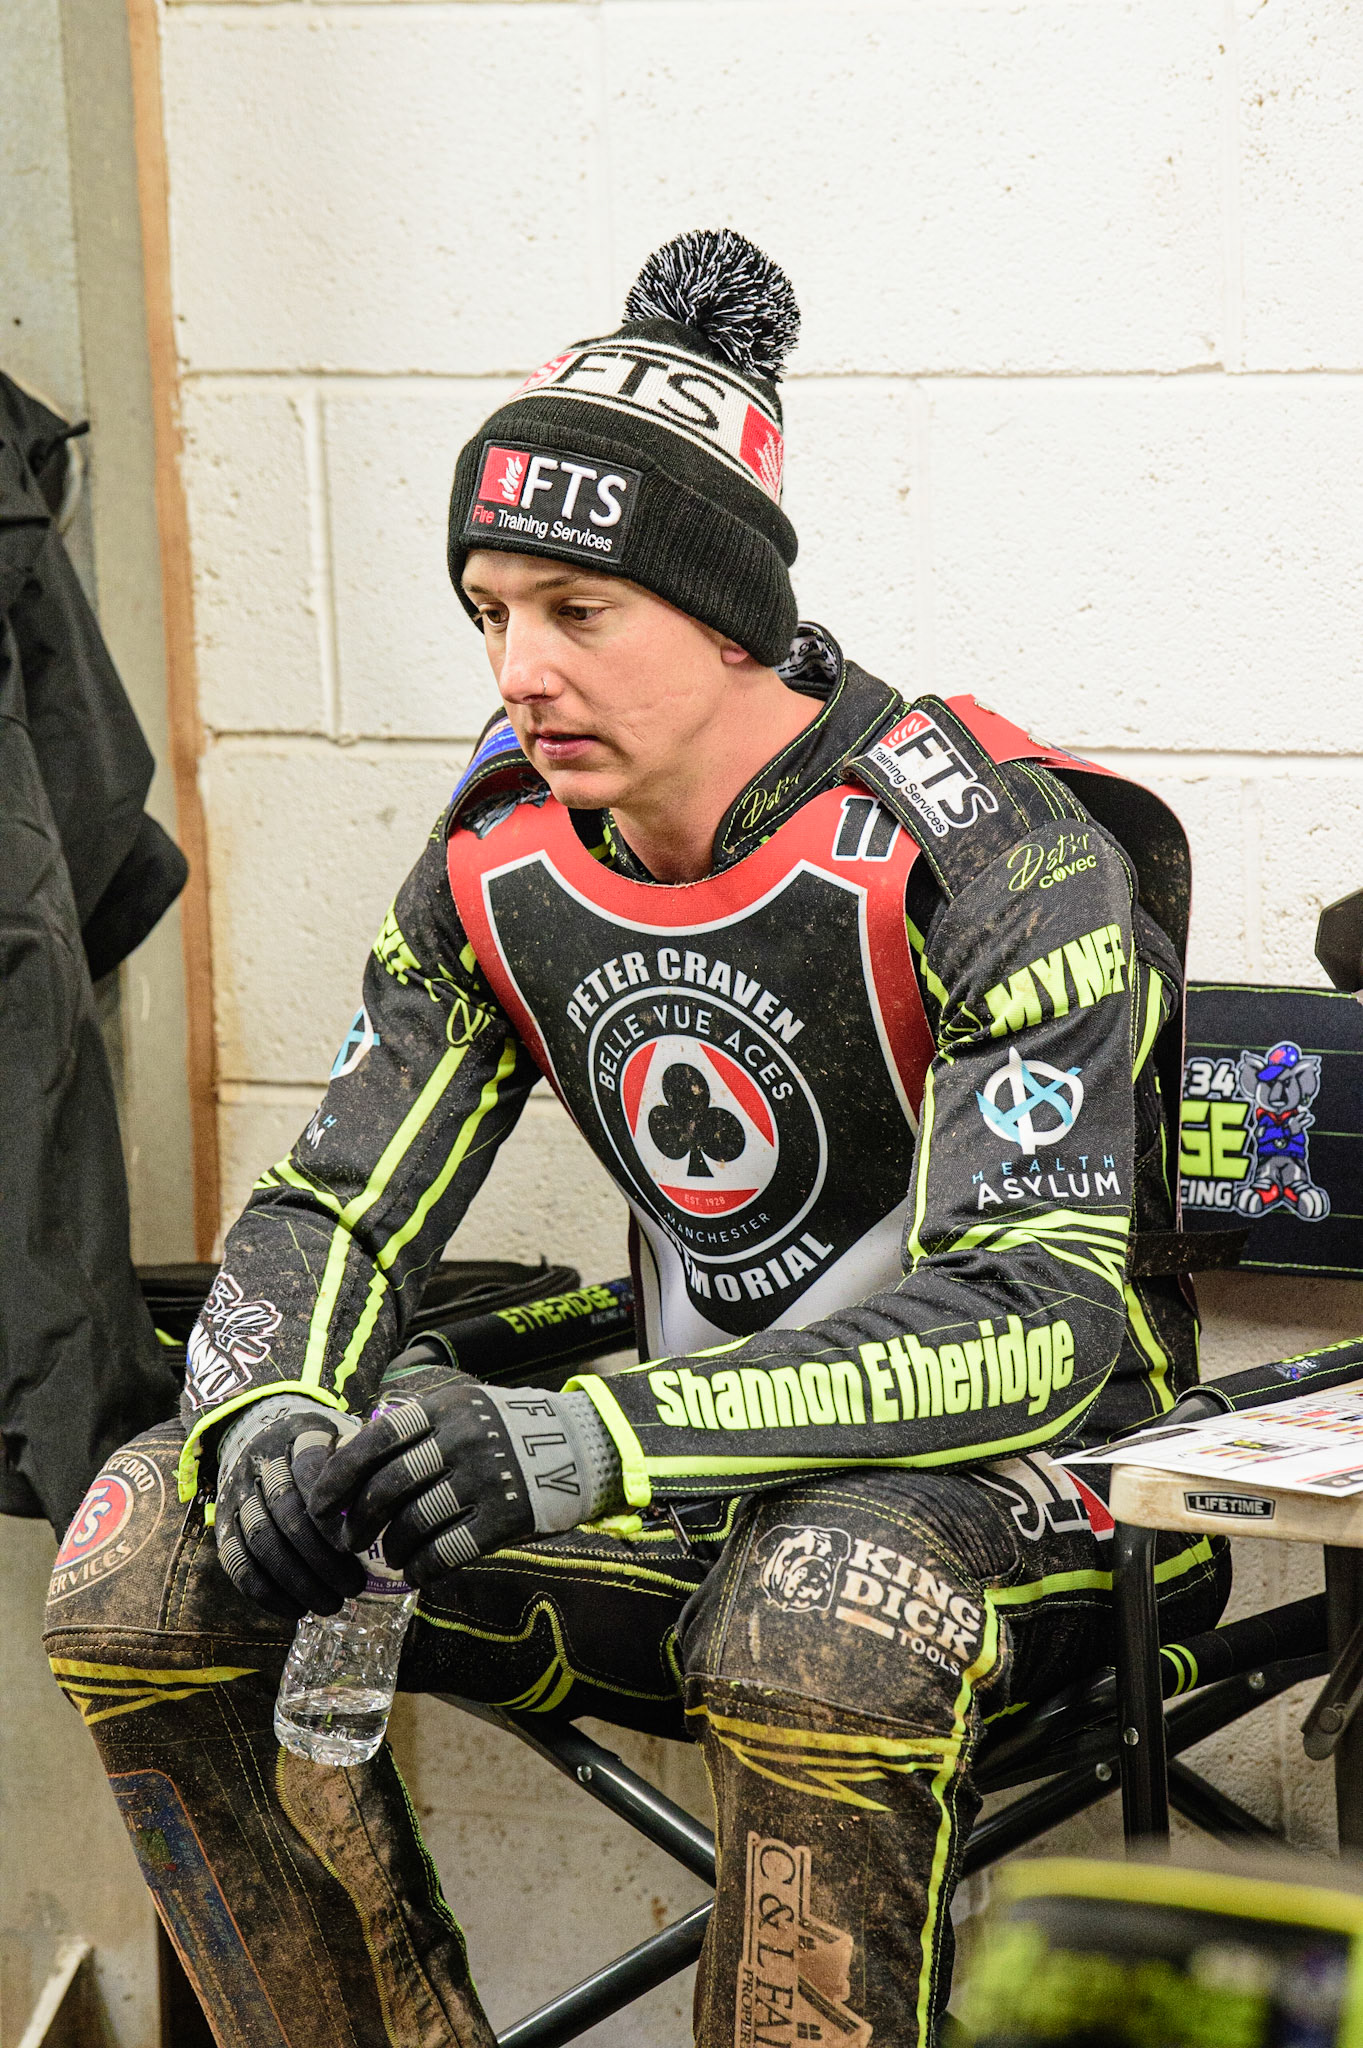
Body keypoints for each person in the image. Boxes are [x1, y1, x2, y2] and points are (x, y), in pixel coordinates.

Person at [45, 229, 1228, 2047]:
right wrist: (269, 1419)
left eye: (577, 612)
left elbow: (1046, 1318)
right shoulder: (498, 854)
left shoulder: (988, 836)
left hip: (1045, 1495)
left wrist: (601, 1434)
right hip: (651, 1476)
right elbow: (332, 1214)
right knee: (140, 1545)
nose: (520, 668)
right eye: (490, 612)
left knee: (820, 1617)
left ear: (728, 612)